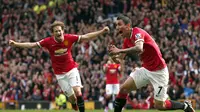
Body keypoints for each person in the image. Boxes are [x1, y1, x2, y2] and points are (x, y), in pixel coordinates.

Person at [9, 20, 110, 112]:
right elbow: (32, 45)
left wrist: (101, 31)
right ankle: (74, 104)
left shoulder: (69, 38)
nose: (58, 32)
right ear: (53, 33)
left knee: (78, 92)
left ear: (63, 31)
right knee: (72, 98)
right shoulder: (48, 42)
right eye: (56, 31)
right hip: (60, 74)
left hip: (71, 70)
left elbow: (86, 37)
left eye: (59, 30)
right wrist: (16, 44)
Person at [108, 14, 195, 112]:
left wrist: (119, 50)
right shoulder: (126, 41)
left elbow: (139, 48)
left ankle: (184, 106)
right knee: (123, 88)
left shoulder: (137, 32)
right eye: (116, 25)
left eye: (119, 24)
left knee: (160, 106)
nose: (117, 28)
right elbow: (119, 60)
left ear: (128, 26)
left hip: (159, 72)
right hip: (146, 70)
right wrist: (113, 56)